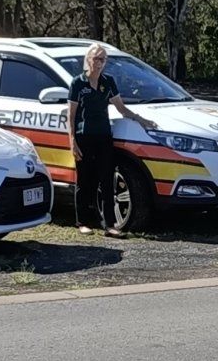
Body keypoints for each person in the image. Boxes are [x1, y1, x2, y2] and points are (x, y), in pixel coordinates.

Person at [67, 44, 158, 237]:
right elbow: (71, 115)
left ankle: (109, 225)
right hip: (84, 137)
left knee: (107, 179)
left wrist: (142, 120)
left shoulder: (108, 82)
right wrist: (72, 141)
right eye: (96, 59)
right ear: (88, 60)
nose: (99, 63)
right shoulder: (78, 83)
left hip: (103, 136)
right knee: (84, 180)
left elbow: (121, 108)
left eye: (103, 59)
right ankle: (82, 221)